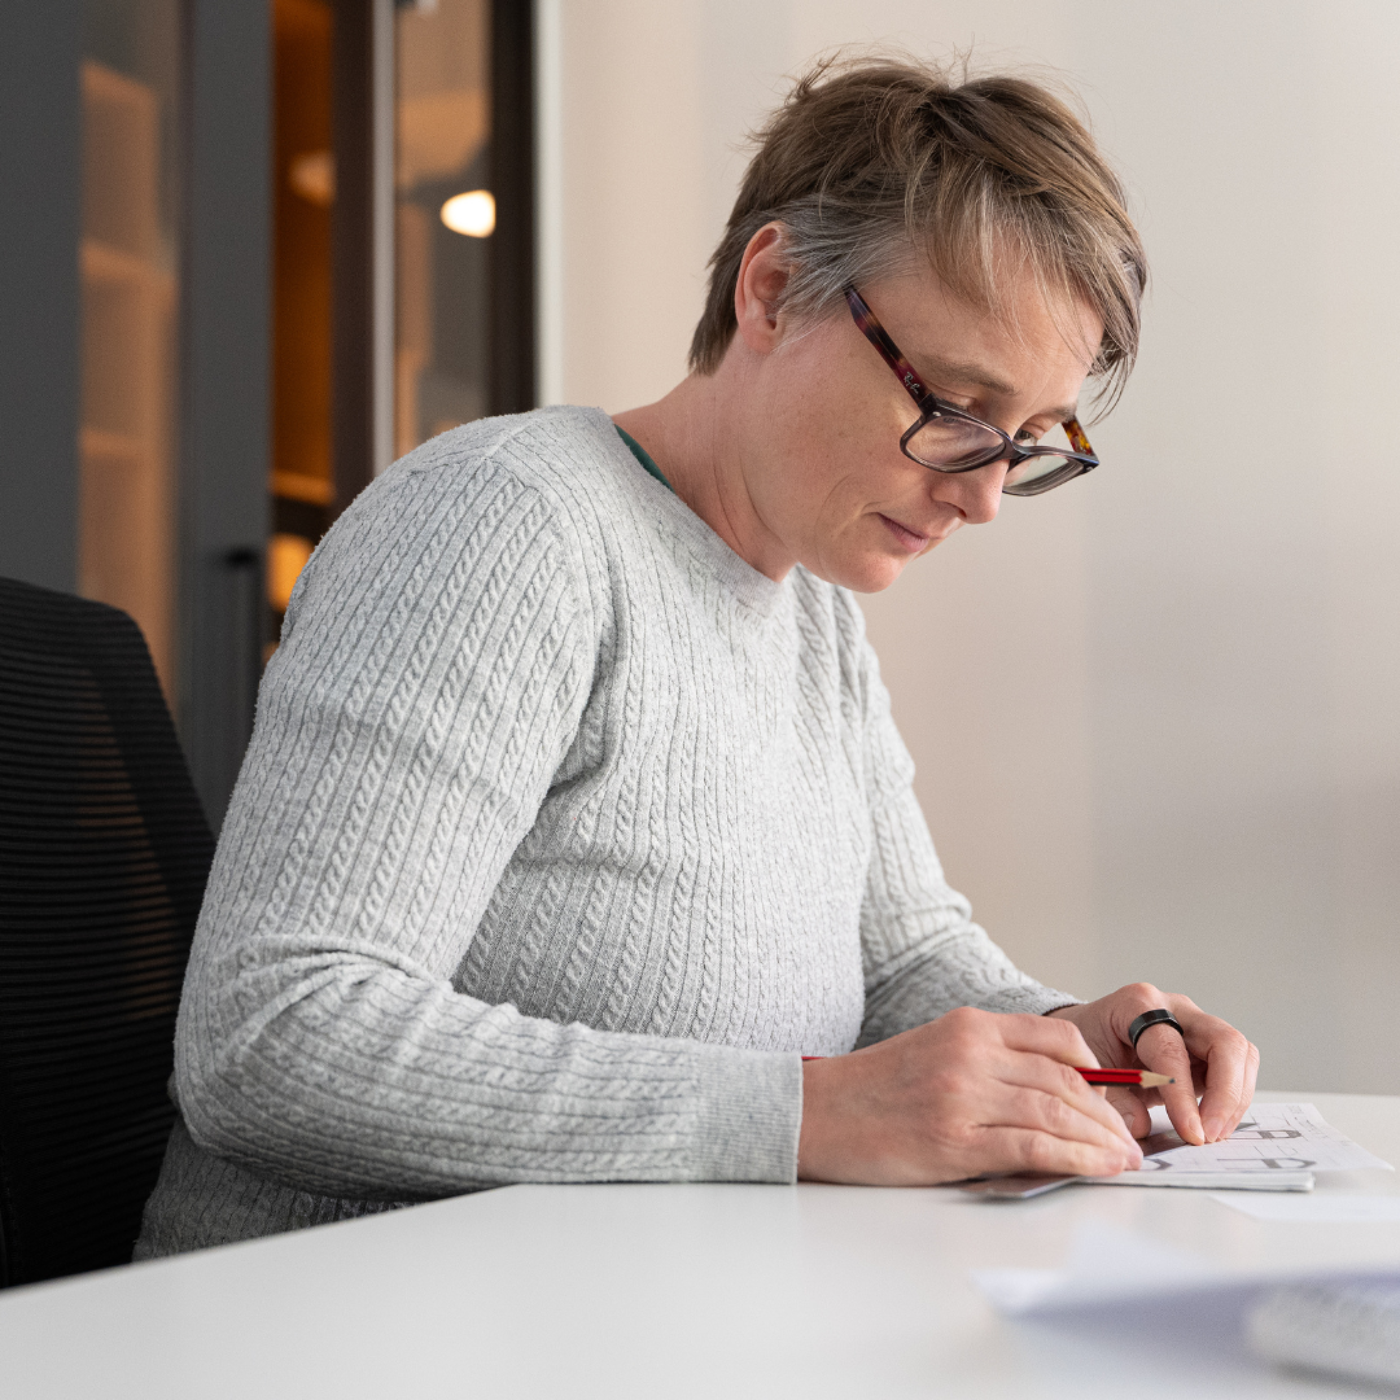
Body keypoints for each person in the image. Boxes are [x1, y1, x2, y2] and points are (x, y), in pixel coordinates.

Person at [136, 55, 1258, 1257]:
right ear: (771, 291)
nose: (984, 497)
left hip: (620, 1307)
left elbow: (903, 957)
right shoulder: (502, 529)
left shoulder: (808, 608)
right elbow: (272, 1033)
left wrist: (1070, 1038)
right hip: (336, 1320)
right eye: (953, 405)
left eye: (1028, 441)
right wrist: (807, 1111)